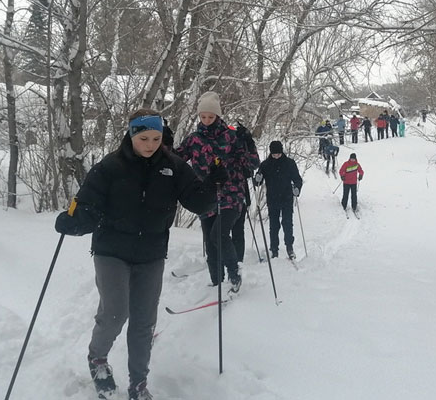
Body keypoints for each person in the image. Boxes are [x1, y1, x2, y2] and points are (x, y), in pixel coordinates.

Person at [55, 109, 216, 400]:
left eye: (156, 138)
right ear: (131, 135)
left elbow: (199, 204)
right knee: (116, 312)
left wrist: (213, 184)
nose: (151, 144)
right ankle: (97, 358)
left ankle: (138, 384)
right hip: (111, 251)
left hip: (151, 253)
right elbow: (89, 205)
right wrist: (74, 222)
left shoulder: (174, 167)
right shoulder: (110, 167)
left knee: (144, 322)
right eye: (144, 138)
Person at [174, 91, 260, 291]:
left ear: (218, 116)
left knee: (218, 235)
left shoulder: (231, 136)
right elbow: (175, 160)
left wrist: (248, 143)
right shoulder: (193, 140)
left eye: (210, 117)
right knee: (211, 245)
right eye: (203, 117)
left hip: (232, 193)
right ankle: (216, 284)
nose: (206, 121)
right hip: (206, 196)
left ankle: (234, 274)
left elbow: (252, 163)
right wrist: (165, 144)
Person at [254, 140, 303, 259]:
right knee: (274, 225)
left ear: (281, 152)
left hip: (286, 197)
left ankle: (289, 247)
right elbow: (257, 182)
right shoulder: (265, 164)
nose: (276, 156)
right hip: (272, 198)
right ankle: (274, 248)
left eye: (278, 154)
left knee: (287, 223)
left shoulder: (289, 163)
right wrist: (257, 178)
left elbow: (297, 179)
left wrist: (297, 188)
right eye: (274, 154)